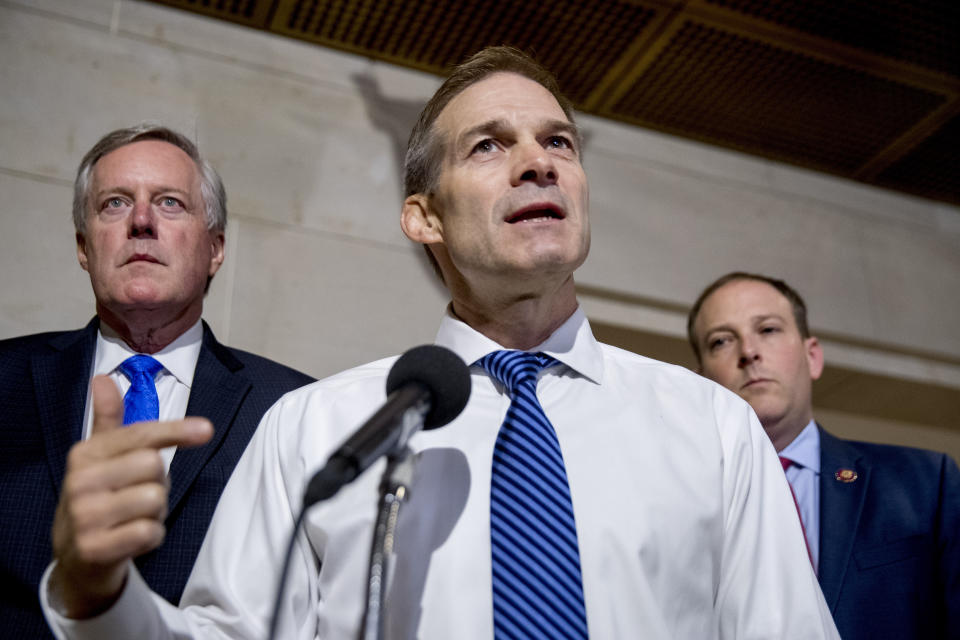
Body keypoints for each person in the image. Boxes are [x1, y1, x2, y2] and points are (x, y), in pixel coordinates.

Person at [41, 49, 838, 639]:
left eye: (558, 143)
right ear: (423, 217)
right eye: (488, 146)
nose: (537, 163)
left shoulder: (714, 429)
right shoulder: (314, 428)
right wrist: (97, 594)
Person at [0, 124, 313, 638]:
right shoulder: (5, 378)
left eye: (169, 203)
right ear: (84, 246)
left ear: (215, 249)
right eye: (115, 204)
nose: (141, 221)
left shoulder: (292, 407)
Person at [687, 271, 960, 639]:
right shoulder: (676, 506)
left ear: (811, 356)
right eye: (721, 340)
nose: (748, 352)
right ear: (701, 382)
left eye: (768, 330)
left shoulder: (926, 483)